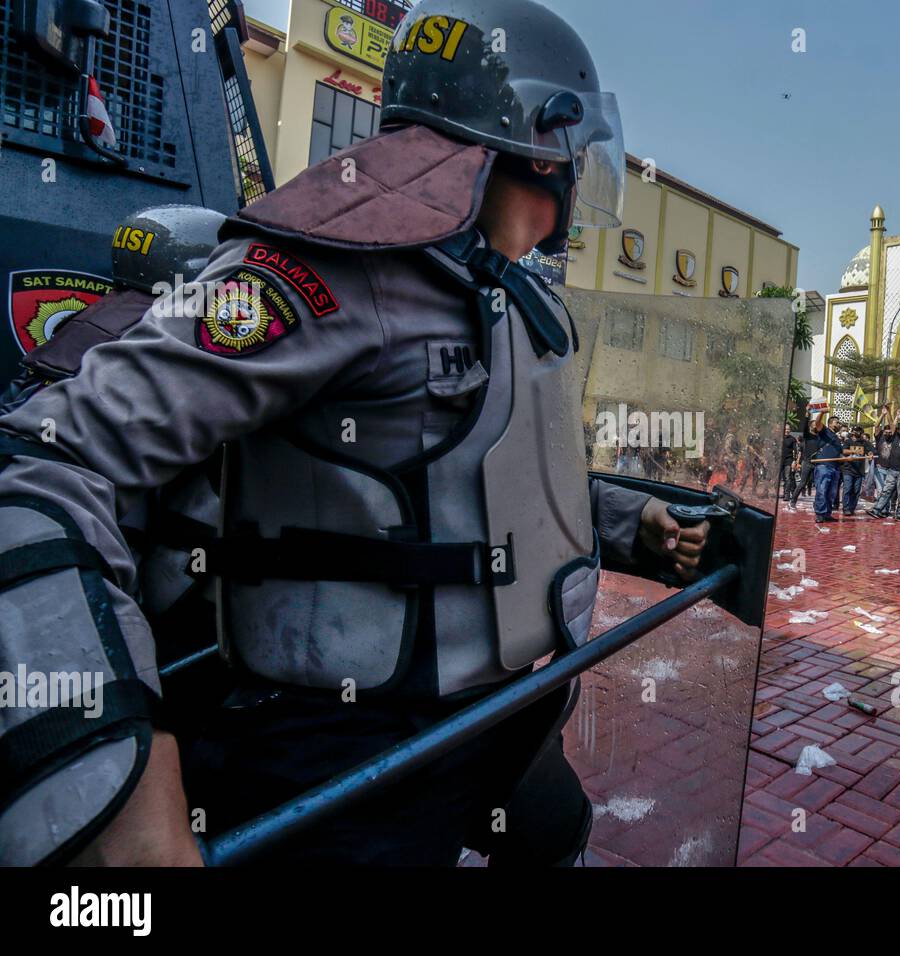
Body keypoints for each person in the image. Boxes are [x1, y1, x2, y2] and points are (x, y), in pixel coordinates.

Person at [0, 0, 711, 868]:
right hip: (351, 755)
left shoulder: (492, 290)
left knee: (556, 833)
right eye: (571, 152)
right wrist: (108, 764)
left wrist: (627, 520)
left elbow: (489, 476)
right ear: (537, 140)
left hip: (492, 716)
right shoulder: (322, 270)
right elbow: (43, 458)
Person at [810, 411, 844, 523]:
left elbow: (839, 452)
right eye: (837, 422)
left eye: (840, 423)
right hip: (824, 466)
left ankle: (827, 514)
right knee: (822, 490)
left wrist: (847, 457)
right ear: (830, 423)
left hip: (835, 468)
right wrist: (822, 412)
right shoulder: (824, 431)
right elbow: (818, 422)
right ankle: (820, 513)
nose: (839, 424)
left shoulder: (837, 439)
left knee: (832, 493)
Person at [840, 425, 869, 516]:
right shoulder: (848, 441)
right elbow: (844, 451)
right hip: (848, 470)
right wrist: (855, 451)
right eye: (855, 431)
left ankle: (852, 508)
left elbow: (871, 451)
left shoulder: (864, 442)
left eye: (859, 431)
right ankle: (846, 508)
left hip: (859, 471)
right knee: (847, 489)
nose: (857, 433)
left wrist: (871, 453)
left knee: (856, 491)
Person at [779, 423, 798, 502]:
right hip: (780, 460)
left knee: (787, 477)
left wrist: (794, 461)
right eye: (786, 429)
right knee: (781, 477)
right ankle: (782, 493)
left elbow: (795, 451)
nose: (787, 430)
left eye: (788, 429)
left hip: (788, 460)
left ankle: (787, 495)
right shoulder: (779, 437)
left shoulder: (792, 439)